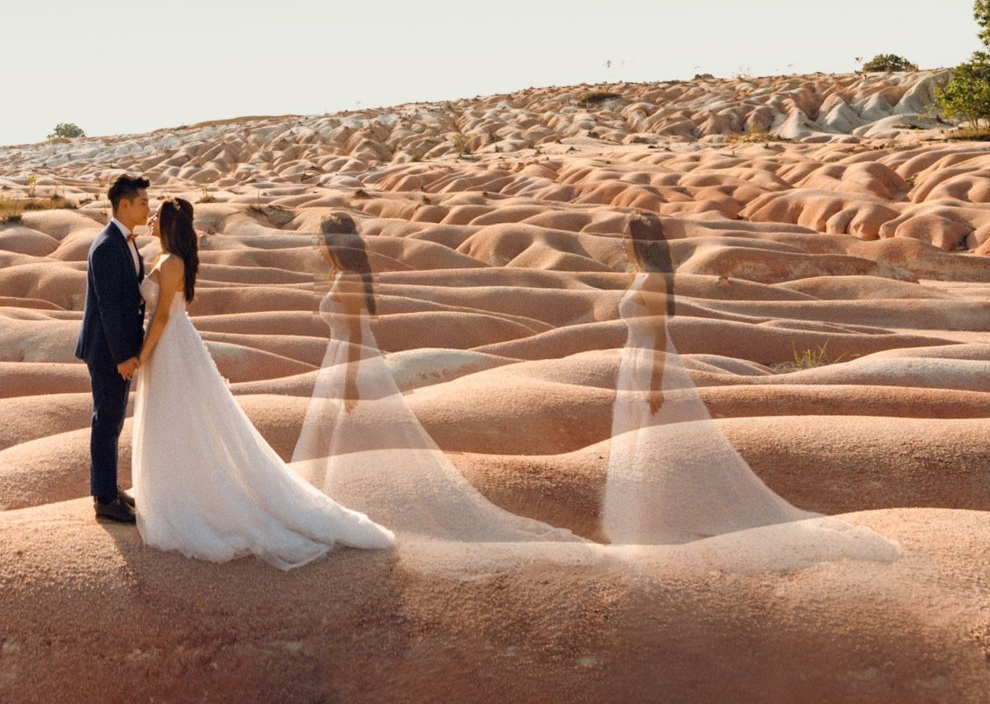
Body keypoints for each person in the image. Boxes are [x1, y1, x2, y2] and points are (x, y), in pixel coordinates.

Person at [602, 210, 899, 570]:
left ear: (638, 240)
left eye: (625, 236)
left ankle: (664, 519)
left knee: (653, 439)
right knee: (642, 440)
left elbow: (660, 335)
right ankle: (654, 517)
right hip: (637, 364)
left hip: (649, 364)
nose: (621, 242)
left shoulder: (650, 280)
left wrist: (653, 383)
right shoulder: (644, 276)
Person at [290, 212, 585, 569]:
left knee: (350, 437)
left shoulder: (350, 280)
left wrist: (350, 382)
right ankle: (344, 507)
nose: (318, 246)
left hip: (350, 369)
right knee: (343, 438)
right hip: (341, 367)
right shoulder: (345, 277)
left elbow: (354, 336)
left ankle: (353, 509)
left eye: (321, 239)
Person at [131, 197, 395, 569]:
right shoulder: (162, 258)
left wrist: (142, 355)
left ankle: (188, 496)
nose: (152, 217)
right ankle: (176, 488)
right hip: (170, 345)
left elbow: (160, 318)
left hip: (171, 344)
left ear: (170, 224)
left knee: (183, 416)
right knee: (174, 417)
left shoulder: (172, 262)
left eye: (158, 213)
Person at [74, 173, 149, 524]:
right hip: (107, 351)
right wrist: (122, 356)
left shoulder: (126, 242)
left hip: (116, 349)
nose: (148, 208)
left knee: (113, 419)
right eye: (143, 202)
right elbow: (108, 307)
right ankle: (104, 499)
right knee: (106, 420)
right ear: (124, 204)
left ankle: (108, 487)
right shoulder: (106, 246)